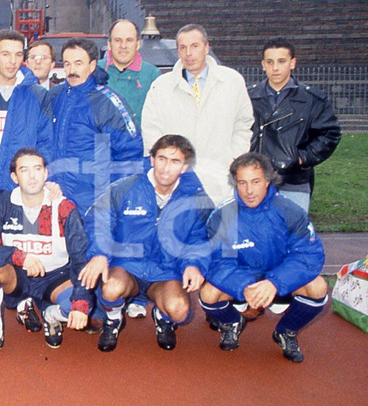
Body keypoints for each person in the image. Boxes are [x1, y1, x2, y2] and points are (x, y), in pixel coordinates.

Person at [82, 134, 214, 352]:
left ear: (184, 167)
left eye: (175, 162)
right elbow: (100, 221)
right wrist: (100, 254)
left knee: (180, 310)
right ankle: (114, 319)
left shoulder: (194, 199)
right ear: (152, 159)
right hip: (127, 267)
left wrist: (194, 265)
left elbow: (198, 238)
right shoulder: (126, 187)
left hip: (165, 272)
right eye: (162, 158)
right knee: (111, 288)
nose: (166, 168)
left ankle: (162, 317)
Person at [199, 152, 328, 363]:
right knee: (208, 294)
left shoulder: (290, 211)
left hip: (279, 280)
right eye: (242, 183)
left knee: (318, 287)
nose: (249, 191)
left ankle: (286, 331)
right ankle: (232, 322)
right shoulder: (223, 215)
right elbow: (217, 262)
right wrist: (244, 286)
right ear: (235, 183)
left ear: (268, 180)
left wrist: (274, 283)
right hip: (244, 282)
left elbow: (308, 255)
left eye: (255, 182)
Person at [0, 147, 93, 360]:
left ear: (46, 173)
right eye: (24, 170)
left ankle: (50, 314)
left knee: (79, 306)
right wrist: (19, 256)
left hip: (56, 277)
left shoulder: (64, 207)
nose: (32, 176)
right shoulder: (3, 203)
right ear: (14, 177)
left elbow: (80, 258)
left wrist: (81, 301)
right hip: (18, 276)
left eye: (37, 169)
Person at [43, 37, 145, 239]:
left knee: (91, 265)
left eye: (78, 63)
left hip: (92, 204)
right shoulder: (54, 97)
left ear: (92, 65)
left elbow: (129, 154)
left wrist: (112, 200)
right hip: (55, 201)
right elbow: (41, 143)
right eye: (68, 63)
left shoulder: (106, 101)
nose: (72, 70)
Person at [142, 24, 253, 207]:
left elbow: (243, 124)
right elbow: (151, 131)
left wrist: (233, 159)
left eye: (195, 46)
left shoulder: (232, 82)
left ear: (206, 48)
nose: (188, 53)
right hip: (176, 184)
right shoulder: (160, 87)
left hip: (221, 180)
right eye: (182, 48)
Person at [249, 37, 341, 213]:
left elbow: (330, 133)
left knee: (293, 235)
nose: (275, 67)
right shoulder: (247, 97)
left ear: (292, 63)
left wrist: (302, 158)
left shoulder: (312, 99)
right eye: (270, 62)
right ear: (263, 64)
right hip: (255, 179)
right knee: (257, 236)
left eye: (281, 61)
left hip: (294, 180)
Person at [0, 28, 54, 194]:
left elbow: (46, 143)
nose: (13, 61)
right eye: (6, 54)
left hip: (22, 190)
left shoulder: (38, 96)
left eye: (18, 55)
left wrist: (37, 178)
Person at [100, 19, 162, 130]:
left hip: (139, 143)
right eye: (118, 40)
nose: (123, 46)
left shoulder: (152, 75)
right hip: (102, 142)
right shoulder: (95, 71)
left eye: (129, 40)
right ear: (109, 44)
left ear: (138, 44)